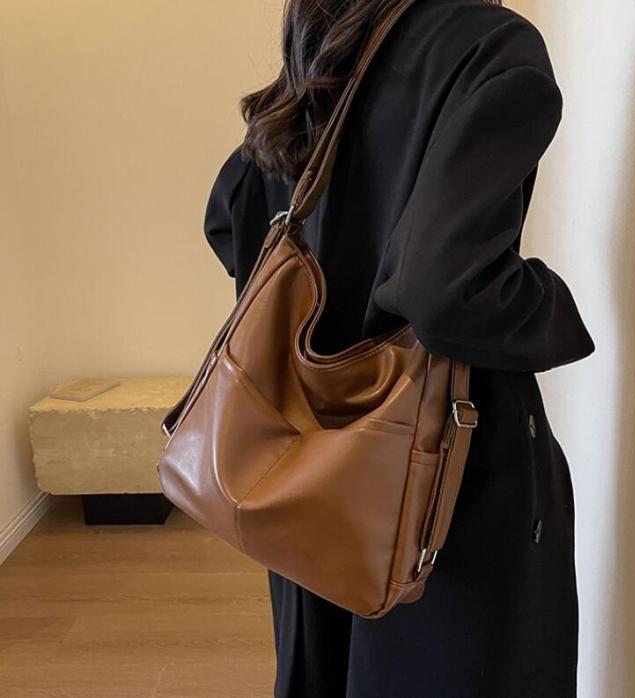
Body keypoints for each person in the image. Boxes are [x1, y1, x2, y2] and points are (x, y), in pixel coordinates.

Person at [203, 0, 595, 696]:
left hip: (303, 462)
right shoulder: (486, 45)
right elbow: (443, 290)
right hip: (447, 473)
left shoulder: (325, 42)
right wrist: (557, 310)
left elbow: (228, 219)